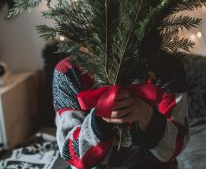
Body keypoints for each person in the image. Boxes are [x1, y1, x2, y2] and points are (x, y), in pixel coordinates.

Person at [52, 55, 189, 169]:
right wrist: (99, 122)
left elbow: (176, 144)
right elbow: (71, 153)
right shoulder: (68, 70)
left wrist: (147, 116)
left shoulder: (168, 67)